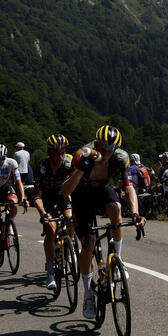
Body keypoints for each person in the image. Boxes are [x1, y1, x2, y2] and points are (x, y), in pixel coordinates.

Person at [61, 125, 144, 319]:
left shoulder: (120, 158)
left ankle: (118, 259)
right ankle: (88, 295)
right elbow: (66, 191)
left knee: (116, 211)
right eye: (103, 147)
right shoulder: (82, 155)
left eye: (111, 149)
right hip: (82, 195)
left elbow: (129, 186)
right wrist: (81, 169)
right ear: (96, 142)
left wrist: (135, 213)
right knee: (88, 246)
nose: (106, 152)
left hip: (102, 190)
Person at [33, 134, 75, 289]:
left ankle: (68, 248)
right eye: (57, 152)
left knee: (70, 220)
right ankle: (50, 270)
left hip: (63, 194)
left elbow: (76, 183)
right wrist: (43, 213)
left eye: (63, 152)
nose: (60, 156)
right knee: (51, 229)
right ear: (49, 152)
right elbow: (37, 195)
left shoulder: (69, 164)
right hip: (47, 198)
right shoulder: (42, 167)